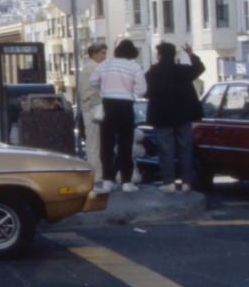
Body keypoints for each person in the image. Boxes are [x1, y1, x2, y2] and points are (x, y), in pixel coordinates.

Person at [145, 42, 205, 193]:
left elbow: (144, 90)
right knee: (185, 148)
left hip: (162, 116)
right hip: (184, 115)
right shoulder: (183, 70)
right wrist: (190, 54)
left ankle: (169, 182)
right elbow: (200, 68)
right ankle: (186, 182)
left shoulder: (153, 72)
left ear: (160, 55)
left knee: (166, 149)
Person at [89, 39, 146, 192]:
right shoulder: (134, 66)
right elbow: (142, 90)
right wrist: (130, 89)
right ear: (132, 53)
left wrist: (105, 86)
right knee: (125, 144)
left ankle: (108, 180)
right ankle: (126, 181)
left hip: (107, 105)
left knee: (106, 143)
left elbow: (93, 81)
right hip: (125, 107)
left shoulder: (105, 64)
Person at [77, 43, 109, 191]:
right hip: (94, 108)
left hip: (90, 108)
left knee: (93, 143)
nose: (104, 56)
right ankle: (96, 175)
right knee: (94, 144)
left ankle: (97, 173)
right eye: (102, 53)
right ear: (94, 54)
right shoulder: (95, 68)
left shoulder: (87, 68)